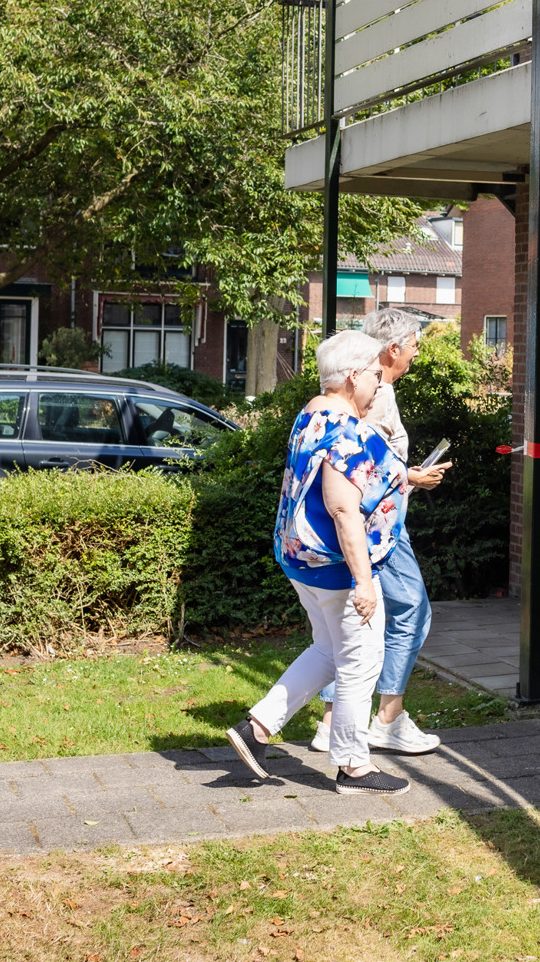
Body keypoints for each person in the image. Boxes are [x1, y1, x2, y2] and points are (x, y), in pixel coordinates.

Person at [225, 330, 411, 795]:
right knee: (361, 661)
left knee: (328, 650)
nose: (379, 384)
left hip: (300, 558)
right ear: (353, 377)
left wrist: (407, 477)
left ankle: (257, 729)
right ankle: (354, 767)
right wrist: (364, 581)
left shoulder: (312, 413)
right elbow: (343, 509)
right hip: (337, 567)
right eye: (374, 375)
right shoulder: (347, 431)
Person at [311, 309, 453, 755]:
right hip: (377, 526)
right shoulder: (379, 394)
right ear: (393, 349)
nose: (416, 354)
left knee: (351, 619)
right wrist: (413, 477)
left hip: (368, 523)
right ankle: (387, 720)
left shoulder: (363, 392)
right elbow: (358, 464)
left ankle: (332, 722)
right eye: (414, 345)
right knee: (411, 610)